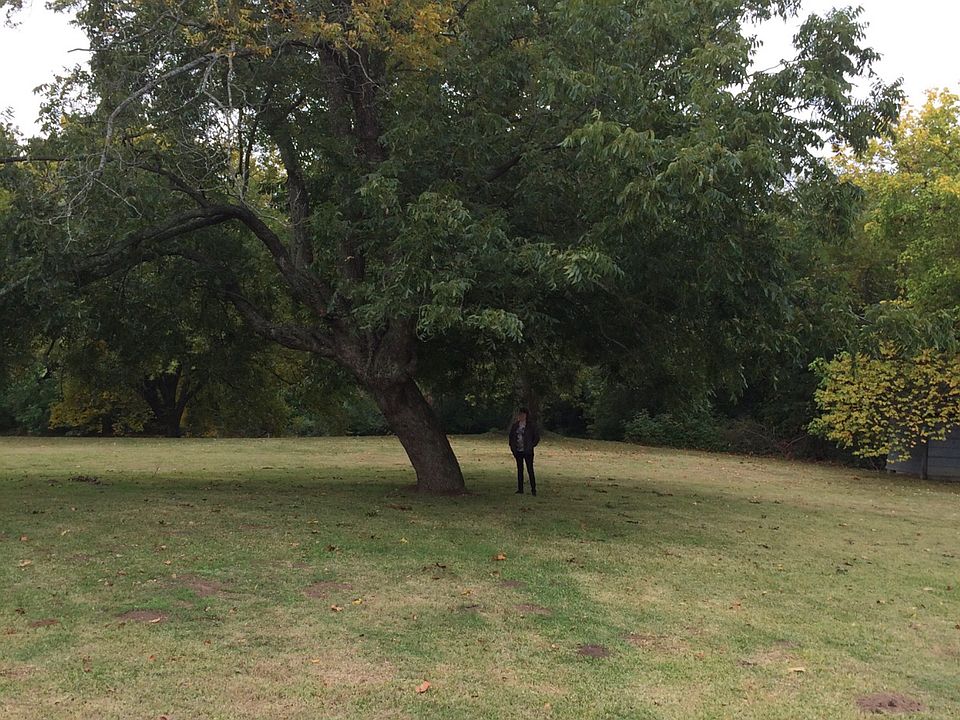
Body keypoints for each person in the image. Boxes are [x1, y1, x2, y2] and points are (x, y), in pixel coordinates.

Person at [508, 407, 540, 495]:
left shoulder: (531, 426)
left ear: (526, 415)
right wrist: (513, 447)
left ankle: (533, 489)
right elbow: (511, 437)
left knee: (530, 469)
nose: (521, 416)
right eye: (520, 414)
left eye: (523, 414)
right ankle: (520, 489)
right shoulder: (515, 425)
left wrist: (531, 446)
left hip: (528, 451)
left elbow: (536, 437)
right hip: (518, 451)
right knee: (520, 469)